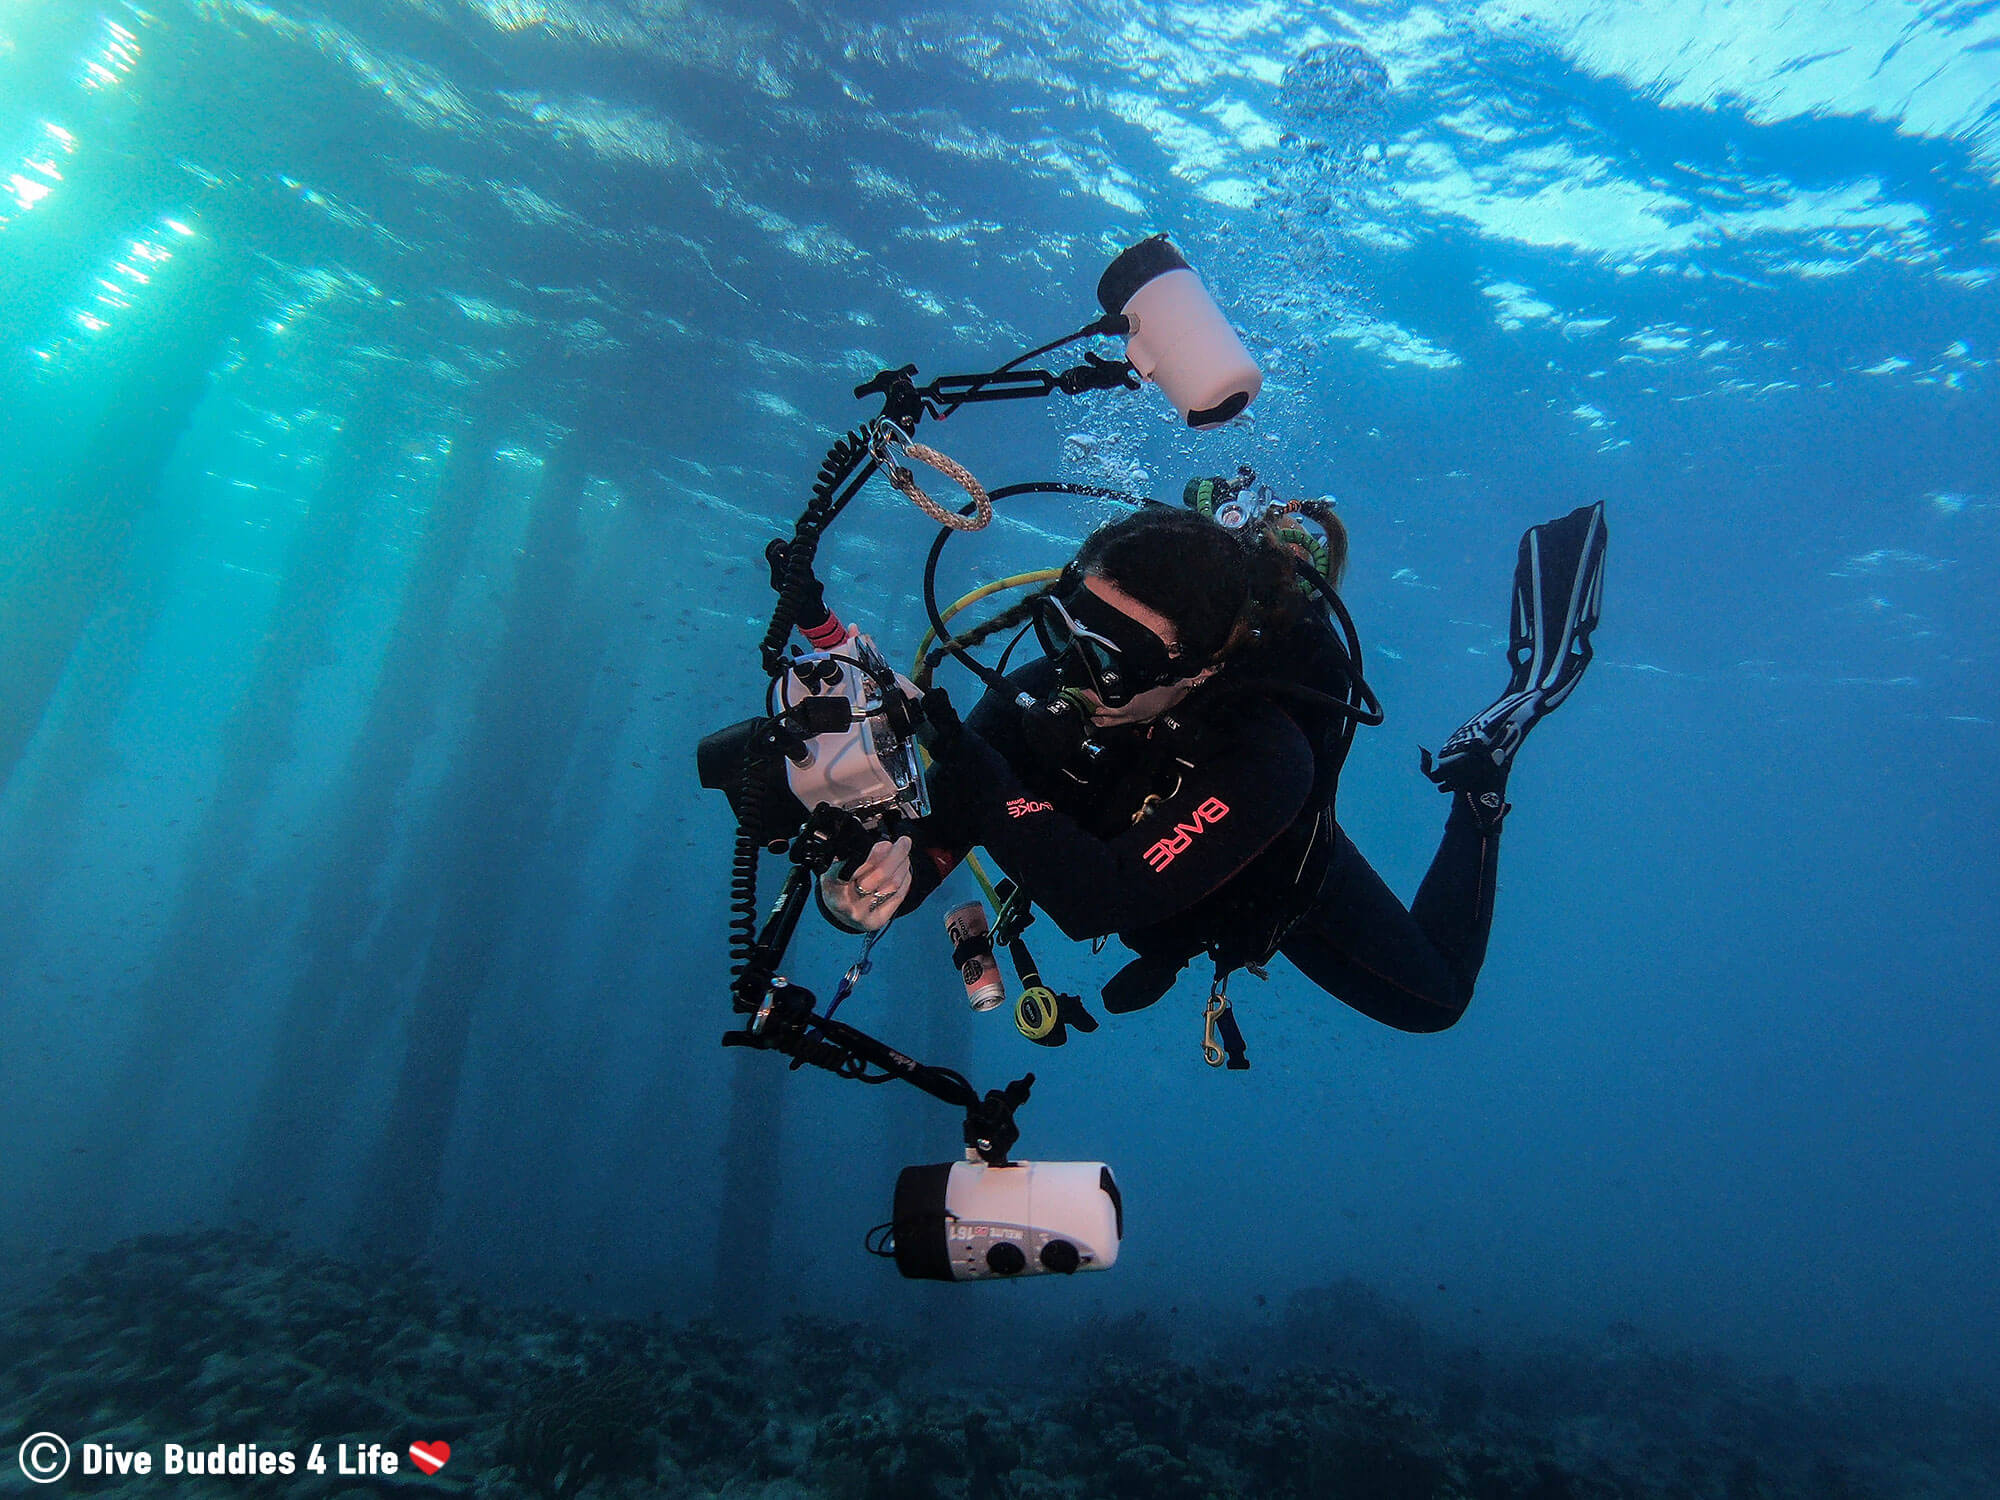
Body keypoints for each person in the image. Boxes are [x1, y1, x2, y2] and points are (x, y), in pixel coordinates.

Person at [819, 496, 1605, 1035]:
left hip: (1267, 882)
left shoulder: (1265, 754)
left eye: (1113, 662)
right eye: (1065, 634)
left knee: (1434, 1004)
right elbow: (940, 837)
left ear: (1194, 672)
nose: (1075, 680)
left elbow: (1103, 897)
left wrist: (981, 777)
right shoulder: (1043, 692)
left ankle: (1482, 784)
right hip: (1137, 880)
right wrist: (868, 888)